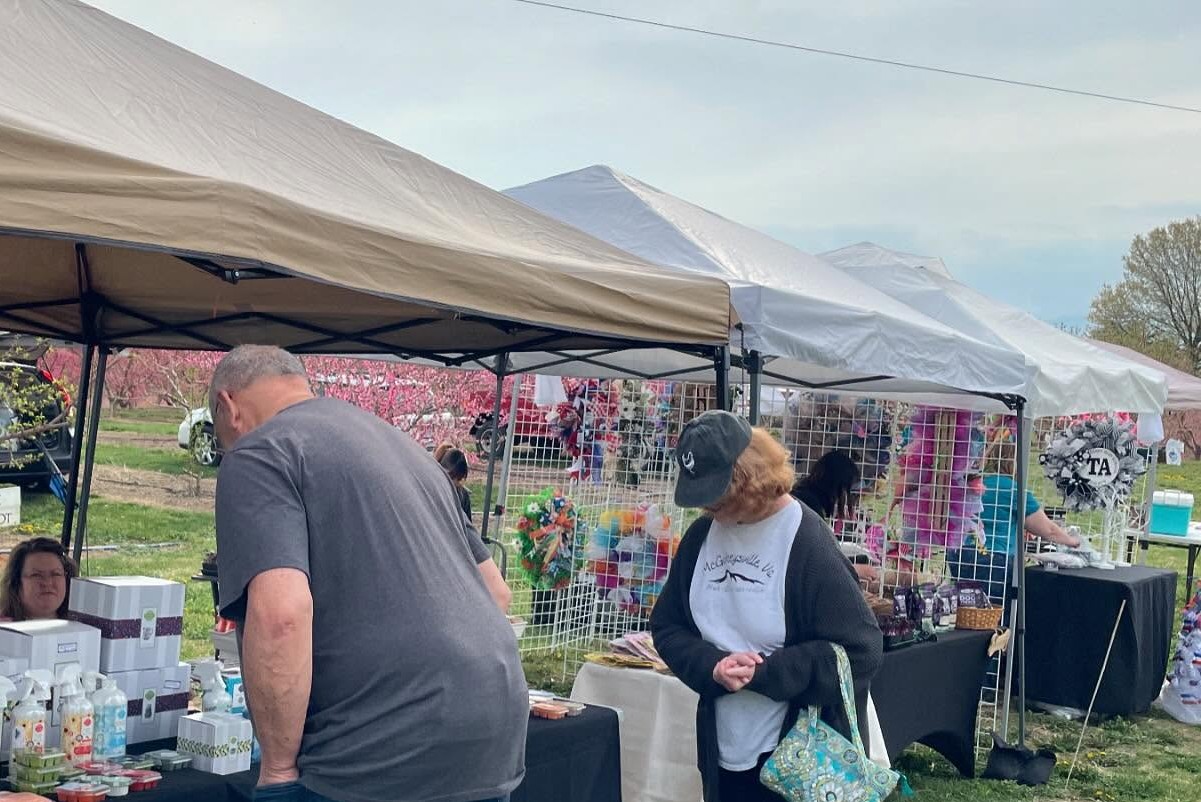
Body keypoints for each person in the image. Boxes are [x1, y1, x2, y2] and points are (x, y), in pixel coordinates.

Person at [210, 346, 525, 802]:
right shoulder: (410, 451)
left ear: (228, 406)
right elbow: (495, 592)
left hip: (377, 751)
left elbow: (281, 616)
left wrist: (277, 771)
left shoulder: (259, 453)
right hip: (491, 735)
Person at [651, 411, 883, 802]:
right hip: (721, 749)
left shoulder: (807, 541)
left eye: (716, 493)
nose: (707, 506)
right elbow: (667, 625)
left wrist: (766, 673)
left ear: (748, 478)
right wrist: (713, 666)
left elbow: (862, 650)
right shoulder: (700, 536)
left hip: (798, 758)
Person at [949, 427, 1081, 603]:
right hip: (995, 559)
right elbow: (1048, 530)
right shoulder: (1013, 490)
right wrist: (1073, 541)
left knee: (965, 608)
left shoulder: (972, 486)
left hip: (960, 554)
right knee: (993, 611)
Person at [791, 450, 880, 585]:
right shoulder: (809, 508)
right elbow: (816, 563)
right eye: (848, 490)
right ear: (838, 486)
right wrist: (855, 570)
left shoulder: (803, 496)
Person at [0, 537, 77, 621]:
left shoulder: (82, 624)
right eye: (36, 575)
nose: (47, 582)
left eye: (56, 574)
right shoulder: (4, 627)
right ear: (15, 582)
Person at [433, 443, 472, 521]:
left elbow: (467, 524)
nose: (455, 483)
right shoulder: (432, 492)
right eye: (452, 477)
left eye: (459, 479)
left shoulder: (463, 495)